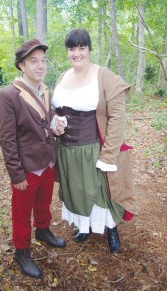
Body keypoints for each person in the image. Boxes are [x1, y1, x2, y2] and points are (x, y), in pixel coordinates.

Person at [52, 28, 138, 254]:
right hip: (67, 151)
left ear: (90, 49)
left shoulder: (105, 76)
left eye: (81, 47)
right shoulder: (63, 76)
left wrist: (108, 155)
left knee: (100, 192)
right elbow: (55, 110)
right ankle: (85, 225)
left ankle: (111, 229)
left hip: (93, 149)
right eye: (72, 48)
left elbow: (117, 117)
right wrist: (55, 122)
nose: (76, 53)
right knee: (76, 190)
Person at [0, 39, 66, 279]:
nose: (40, 66)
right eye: (33, 61)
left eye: (43, 61)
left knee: (44, 203)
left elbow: (44, 117)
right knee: (22, 211)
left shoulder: (44, 89)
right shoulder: (8, 95)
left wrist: (56, 120)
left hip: (47, 161)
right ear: (21, 66)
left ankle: (43, 231)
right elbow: (7, 139)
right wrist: (16, 174)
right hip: (26, 169)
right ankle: (21, 251)